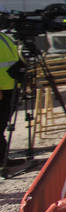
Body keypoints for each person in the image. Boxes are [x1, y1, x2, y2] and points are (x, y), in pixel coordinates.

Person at [0, 30, 25, 165]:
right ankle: (2, 160)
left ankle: (3, 158)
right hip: (3, 88)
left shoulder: (3, 36)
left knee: (2, 123)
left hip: (10, 86)